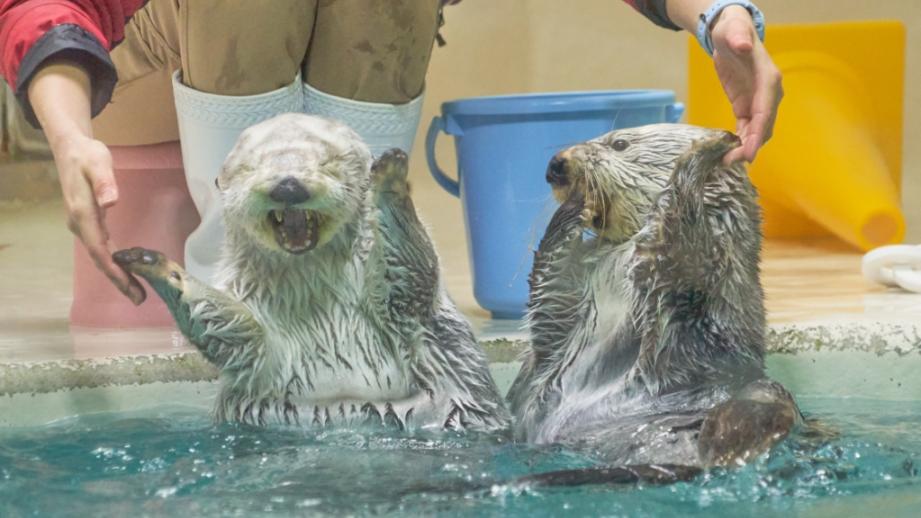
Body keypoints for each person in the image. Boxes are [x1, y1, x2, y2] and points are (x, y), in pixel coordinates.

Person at [0, 0, 782, 308]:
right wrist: (68, 136)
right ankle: (241, 281)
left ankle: (366, 276)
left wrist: (716, 15)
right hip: (129, 69)